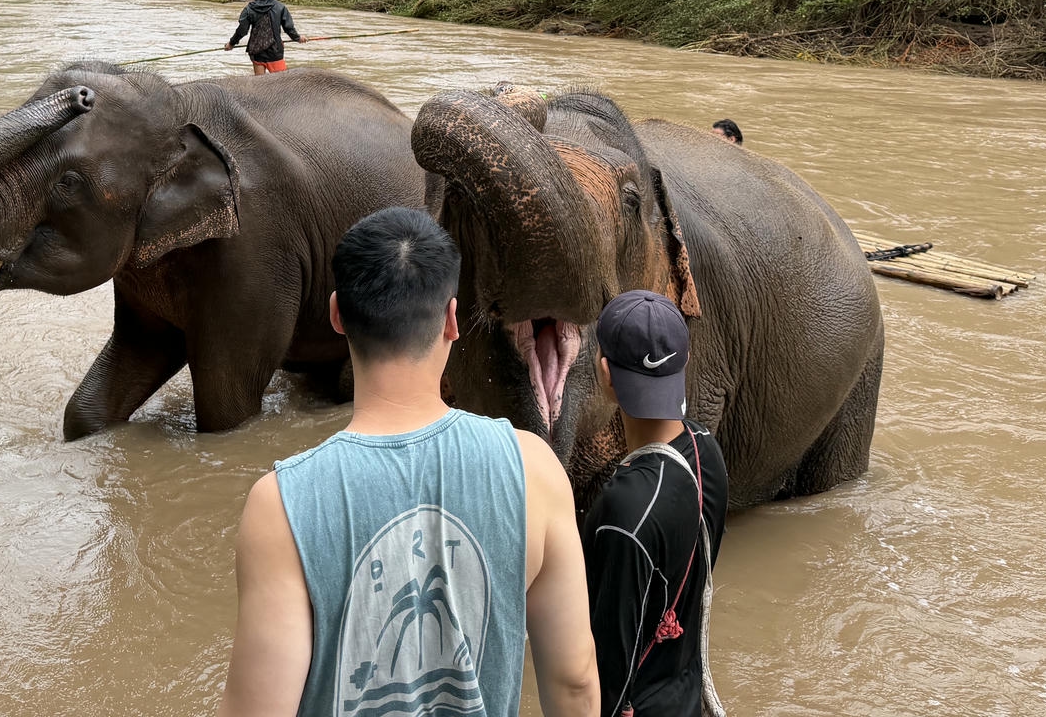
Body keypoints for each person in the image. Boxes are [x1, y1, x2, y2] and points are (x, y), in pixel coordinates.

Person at [218, 207, 598, 717]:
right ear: (452, 320)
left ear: (336, 315)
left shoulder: (282, 504)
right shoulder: (534, 468)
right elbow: (575, 682)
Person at [584, 291, 729, 717]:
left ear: (606, 373)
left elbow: (604, 675)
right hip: (686, 695)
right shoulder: (706, 450)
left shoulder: (624, 513)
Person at [226, 0, 305, 75]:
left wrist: (231, 43)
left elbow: (242, 30)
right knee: (281, 85)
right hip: (275, 51)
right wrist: (298, 38)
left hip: (256, 51)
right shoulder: (280, 8)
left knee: (260, 86)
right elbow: (289, 28)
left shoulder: (249, 9)